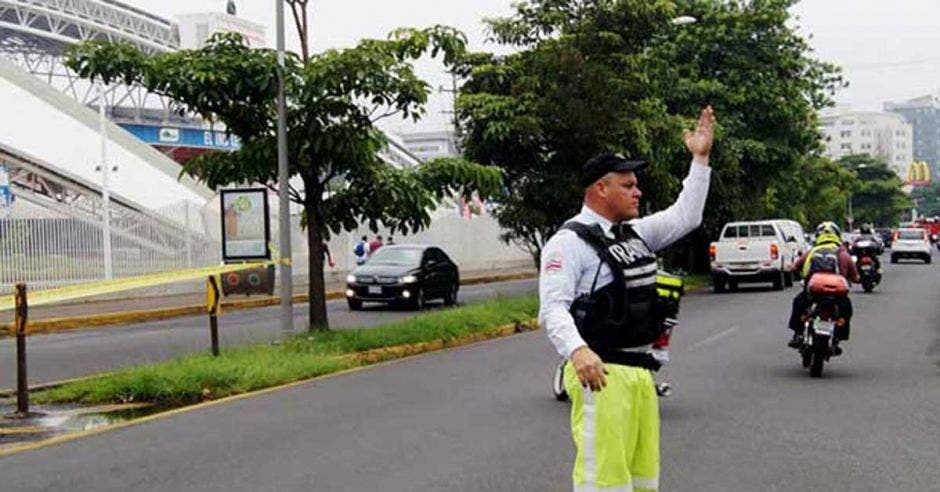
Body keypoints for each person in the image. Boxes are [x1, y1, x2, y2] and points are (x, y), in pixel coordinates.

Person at [539, 106, 715, 491]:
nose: (638, 191)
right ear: (600, 188)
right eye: (627, 185)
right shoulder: (569, 244)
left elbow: (686, 216)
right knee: (604, 480)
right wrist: (577, 351)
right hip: (601, 374)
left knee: (641, 480)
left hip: (639, 372)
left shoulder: (633, 234)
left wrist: (699, 160)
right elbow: (552, 307)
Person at [786, 221, 860, 349]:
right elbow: (856, 277)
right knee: (846, 310)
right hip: (837, 297)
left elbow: (795, 267)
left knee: (798, 303)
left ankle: (797, 334)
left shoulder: (812, 252)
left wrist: (793, 270)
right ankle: (838, 337)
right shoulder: (844, 254)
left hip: (813, 294)